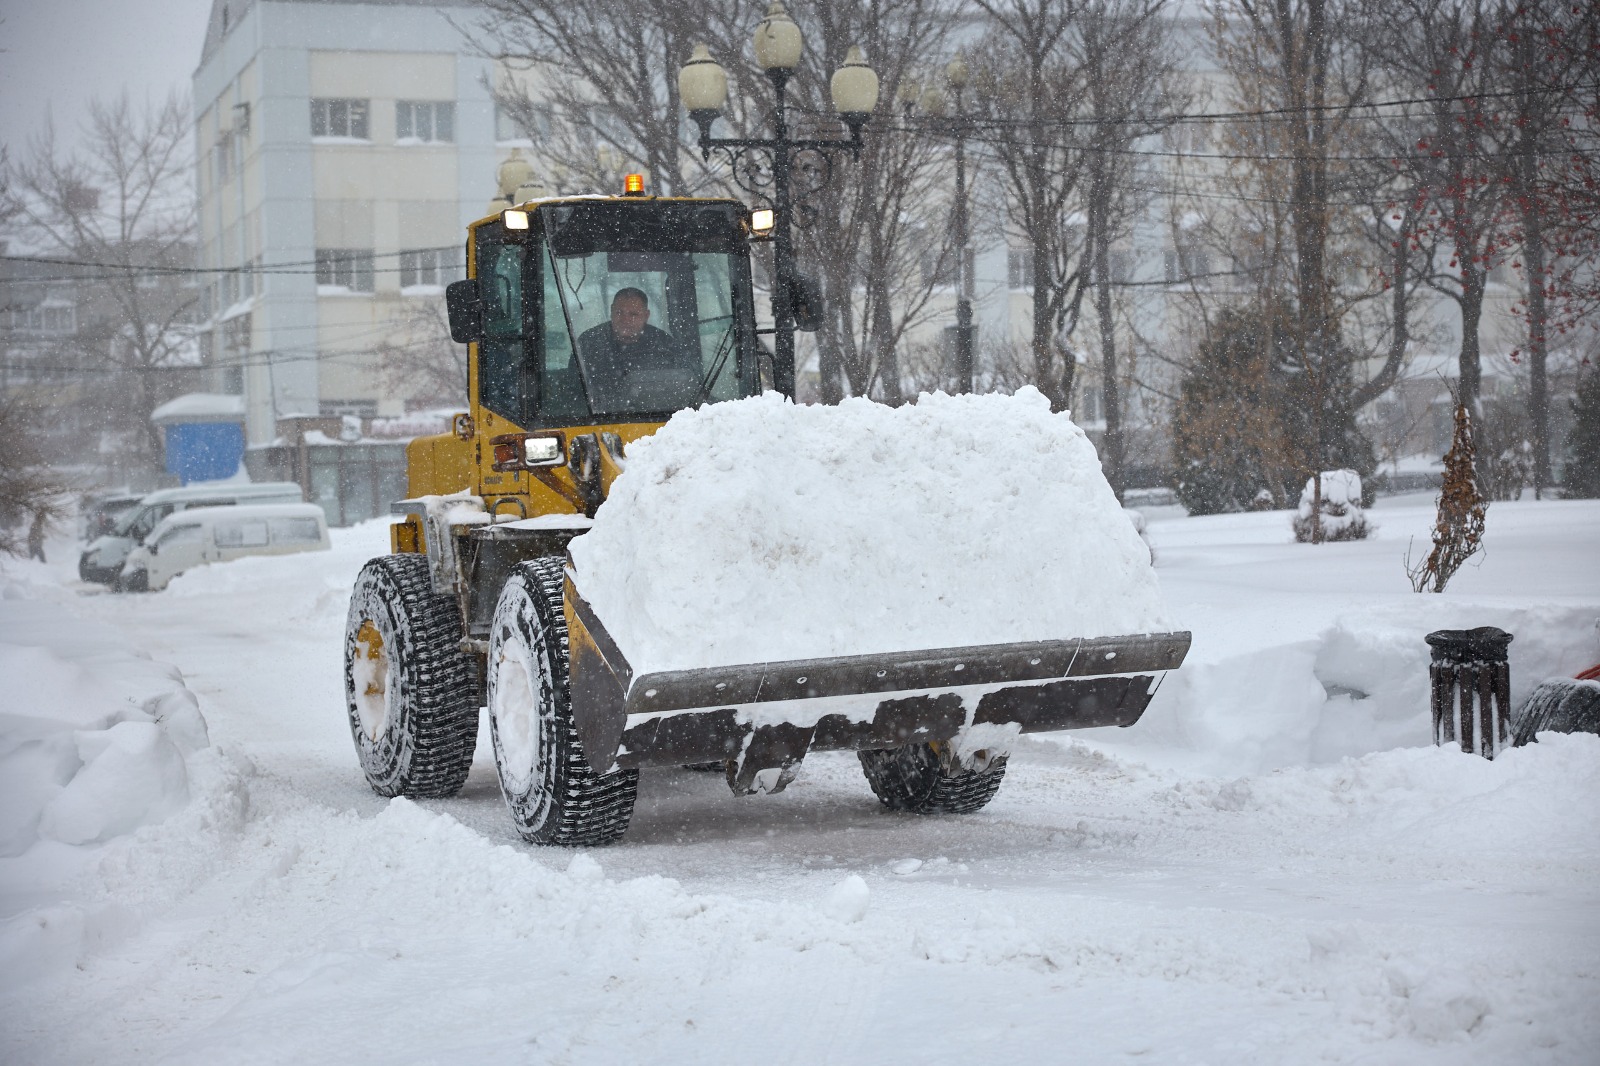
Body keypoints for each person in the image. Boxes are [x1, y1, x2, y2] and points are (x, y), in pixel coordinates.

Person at [577, 288, 697, 407]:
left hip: (657, 419)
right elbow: (574, 393)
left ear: (646, 316)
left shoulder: (665, 345)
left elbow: (688, 389)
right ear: (611, 311)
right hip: (597, 421)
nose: (625, 320)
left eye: (633, 314)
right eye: (619, 312)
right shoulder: (589, 343)